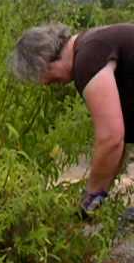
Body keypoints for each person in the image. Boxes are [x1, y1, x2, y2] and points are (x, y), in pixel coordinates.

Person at [10, 22, 134, 216]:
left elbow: (111, 138)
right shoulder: (91, 43)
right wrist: (99, 196)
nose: (45, 84)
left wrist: (90, 199)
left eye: (42, 76)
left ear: (43, 60)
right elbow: (118, 143)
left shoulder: (88, 59)